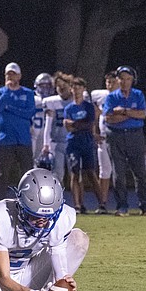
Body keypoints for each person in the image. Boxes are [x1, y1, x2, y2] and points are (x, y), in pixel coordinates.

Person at [103, 65, 146, 216]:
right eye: (122, 79)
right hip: (116, 136)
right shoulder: (112, 97)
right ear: (118, 80)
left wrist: (123, 111)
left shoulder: (138, 94)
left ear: (132, 80)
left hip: (134, 135)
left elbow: (142, 114)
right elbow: (109, 118)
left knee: (140, 173)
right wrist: (131, 115)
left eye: (128, 79)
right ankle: (122, 206)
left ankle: (145, 206)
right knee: (118, 174)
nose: (125, 82)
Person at [0, 62, 37, 201]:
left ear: (19, 76)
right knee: (2, 174)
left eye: (13, 74)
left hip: (23, 139)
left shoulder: (28, 93)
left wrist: (10, 108)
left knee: (27, 174)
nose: (10, 77)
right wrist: (7, 92)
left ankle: (29, 202)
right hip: (6, 139)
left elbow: (29, 113)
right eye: (8, 74)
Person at [64, 77, 104, 213]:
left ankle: (102, 204)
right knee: (75, 172)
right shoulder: (69, 108)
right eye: (74, 88)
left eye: (79, 88)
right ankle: (78, 205)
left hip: (87, 141)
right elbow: (68, 127)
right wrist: (78, 124)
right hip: (73, 142)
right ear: (71, 90)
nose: (76, 91)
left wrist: (74, 124)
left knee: (91, 172)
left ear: (84, 89)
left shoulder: (88, 107)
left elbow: (89, 124)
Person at [90, 71, 119, 214]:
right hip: (103, 137)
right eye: (108, 82)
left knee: (119, 171)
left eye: (113, 82)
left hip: (118, 137)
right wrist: (94, 131)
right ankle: (102, 203)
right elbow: (95, 115)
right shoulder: (99, 95)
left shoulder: (122, 96)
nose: (110, 85)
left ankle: (122, 203)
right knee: (104, 170)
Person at [40, 73, 75, 184]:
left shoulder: (77, 101)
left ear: (70, 86)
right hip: (57, 143)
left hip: (73, 142)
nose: (61, 89)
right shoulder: (51, 102)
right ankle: (57, 195)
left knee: (75, 174)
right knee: (57, 174)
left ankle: (77, 196)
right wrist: (46, 144)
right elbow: (48, 124)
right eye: (59, 86)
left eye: (64, 86)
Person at [32, 72, 55, 164]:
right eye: (42, 86)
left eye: (47, 86)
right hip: (34, 135)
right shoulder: (33, 99)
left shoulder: (55, 100)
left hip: (49, 136)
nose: (45, 89)